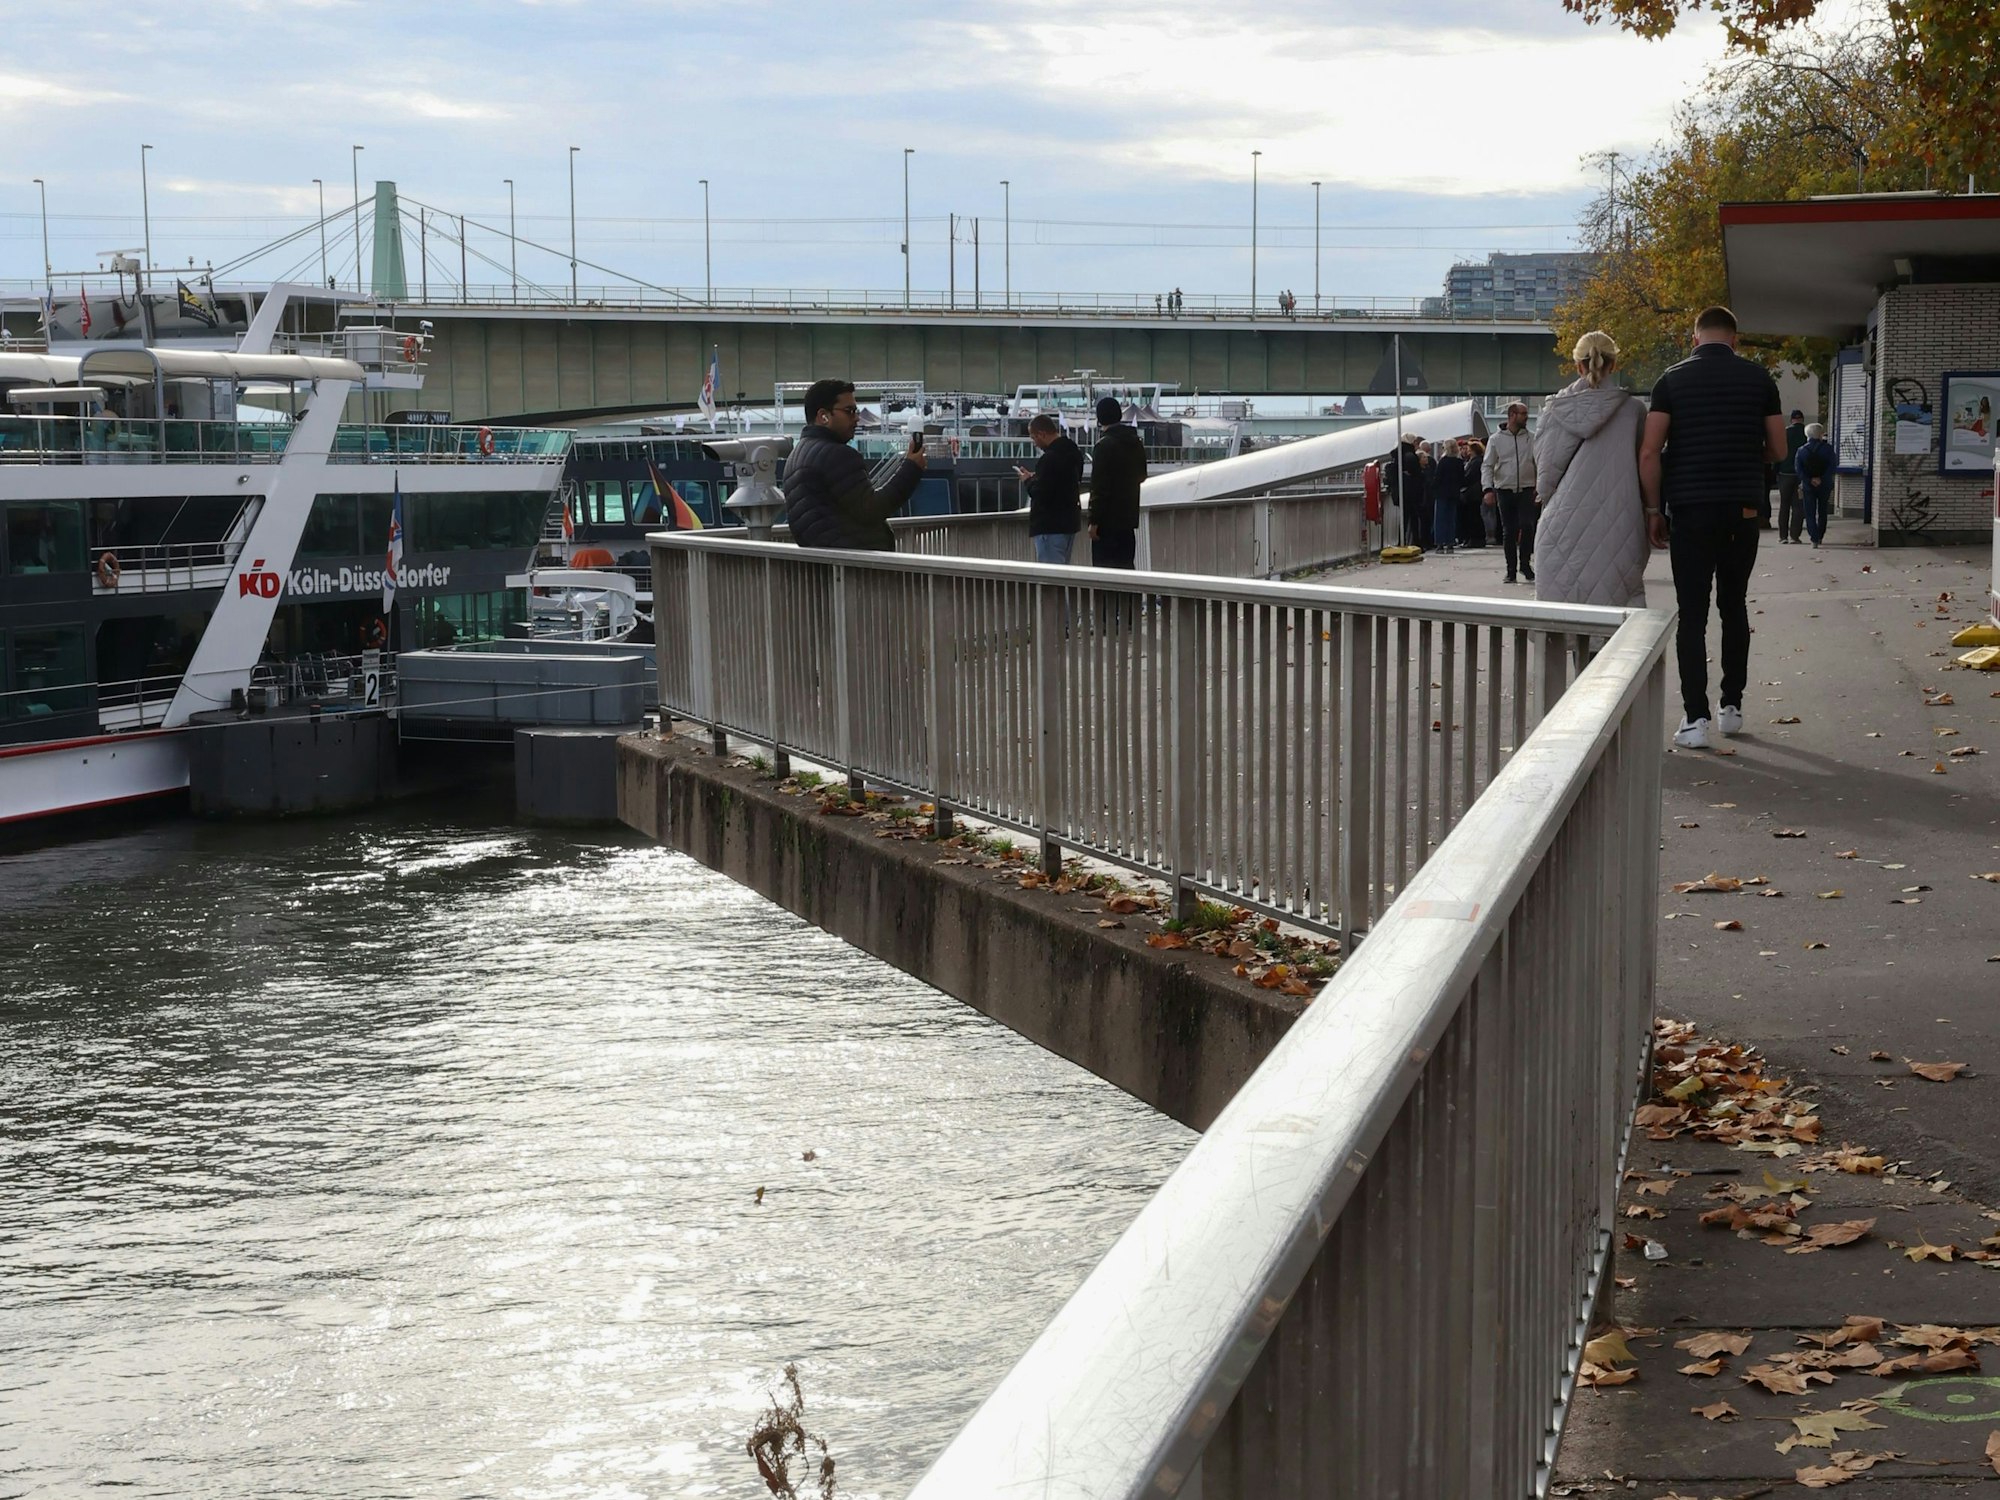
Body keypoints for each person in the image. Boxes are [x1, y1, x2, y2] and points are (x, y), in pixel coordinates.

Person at [1640, 305, 1786, 750]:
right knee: (1734, 606)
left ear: (1694, 338)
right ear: (1735, 339)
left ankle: (1695, 719)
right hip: (1742, 509)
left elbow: (1649, 452)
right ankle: (1731, 708)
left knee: (1693, 613)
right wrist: (1747, 458)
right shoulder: (1760, 380)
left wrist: (1653, 510)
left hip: (1690, 510)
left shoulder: (1671, 379)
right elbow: (1778, 448)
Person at [1532, 331, 1651, 607]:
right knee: (1617, 606)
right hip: (1621, 519)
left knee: (1567, 612)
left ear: (1578, 365)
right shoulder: (1634, 411)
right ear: (1614, 364)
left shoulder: (1554, 410)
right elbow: (1643, 465)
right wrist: (1652, 510)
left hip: (1563, 523)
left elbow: (1546, 478)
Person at [783, 378, 926, 551]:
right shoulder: (836, 455)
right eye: (849, 411)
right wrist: (911, 468)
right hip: (856, 568)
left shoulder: (796, 456)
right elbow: (872, 510)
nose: (857, 418)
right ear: (823, 416)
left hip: (823, 568)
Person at [1016, 413, 1084, 564]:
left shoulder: (1048, 459)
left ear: (1042, 434)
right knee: (1063, 574)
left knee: (1050, 577)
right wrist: (1038, 477)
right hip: (1069, 523)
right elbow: (1063, 482)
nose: (1034, 443)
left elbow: (1041, 493)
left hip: (1050, 526)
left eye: (1034, 437)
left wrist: (1028, 481)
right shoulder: (1073, 452)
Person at [1483, 402, 1538, 582]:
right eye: (1523, 413)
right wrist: (1487, 489)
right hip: (1504, 489)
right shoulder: (1496, 439)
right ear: (1512, 415)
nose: (1526, 417)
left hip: (1527, 488)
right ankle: (1511, 570)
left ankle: (1524, 564)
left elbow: (1539, 462)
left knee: (1528, 526)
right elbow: (1488, 465)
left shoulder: (1532, 438)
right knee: (1509, 530)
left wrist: (1540, 484)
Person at [1089, 395, 1145, 567]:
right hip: (1128, 520)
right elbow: (1142, 475)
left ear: (1099, 418)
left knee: (1105, 575)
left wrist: (1094, 521)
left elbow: (1099, 487)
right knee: (1126, 570)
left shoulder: (1103, 445)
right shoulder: (1136, 443)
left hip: (1107, 523)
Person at [1795, 420, 1837, 549]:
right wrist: (1822, 478)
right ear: (1820, 434)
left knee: (1810, 512)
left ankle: (1813, 538)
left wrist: (1809, 480)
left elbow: (1798, 469)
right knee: (1823, 510)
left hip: (1808, 485)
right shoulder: (1828, 449)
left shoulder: (1801, 450)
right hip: (1824, 484)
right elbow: (1833, 466)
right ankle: (1820, 535)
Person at [1775, 408, 1808, 543]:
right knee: (1798, 506)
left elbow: (1777, 452)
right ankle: (1795, 536)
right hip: (1801, 475)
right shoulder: (1807, 434)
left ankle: (1783, 536)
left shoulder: (1785, 433)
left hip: (1785, 474)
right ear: (1802, 419)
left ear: (1791, 419)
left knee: (1784, 505)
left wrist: (1776, 470)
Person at [1430, 438, 1464, 552]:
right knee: (1451, 518)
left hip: (1442, 493)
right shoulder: (1459, 462)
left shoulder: (1443, 461)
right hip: (1454, 493)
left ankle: (1439, 543)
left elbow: (1437, 477)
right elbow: (1462, 479)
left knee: (1440, 519)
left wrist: (1433, 488)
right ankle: (1450, 542)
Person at [1458, 438, 1487, 548]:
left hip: (1473, 493)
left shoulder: (1476, 462)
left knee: (1473, 517)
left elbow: (1469, 477)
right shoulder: (1474, 461)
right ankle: (1472, 538)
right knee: (1472, 516)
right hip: (1472, 492)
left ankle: (1476, 538)